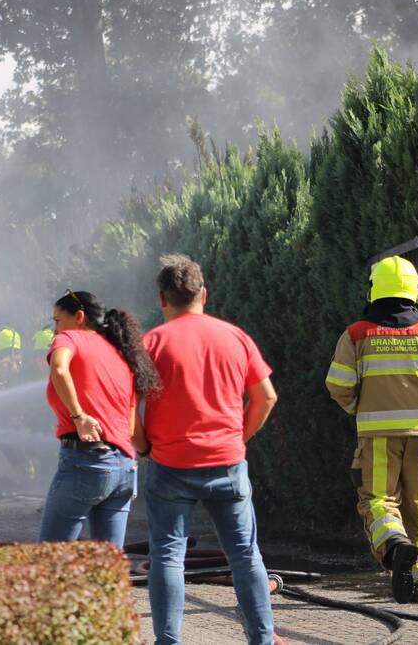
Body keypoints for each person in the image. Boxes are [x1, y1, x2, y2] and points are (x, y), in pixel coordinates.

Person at [133, 254, 279, 645]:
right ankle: (262, 640)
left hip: (170, 466)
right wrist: (238, 438)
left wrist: (143, 444)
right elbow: (266, 397)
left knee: (167, 557)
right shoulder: (234, 337)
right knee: (246, 557)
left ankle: (168, 641)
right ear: (204, 295)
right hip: (228, 464)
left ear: (163, 299)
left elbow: (130, 406)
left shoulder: (151, 343)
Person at [325, 255, 418, 604]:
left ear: (374, 290)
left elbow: (338, 385)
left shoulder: (357, 334)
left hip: (377, 436)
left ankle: (393, 545)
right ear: (414, 290)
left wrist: (361, 408)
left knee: (378, 500)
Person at [39, 289, 159, 547]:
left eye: (57, 320)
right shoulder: (120, 356)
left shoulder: (70, 338)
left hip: (87, 462)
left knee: (50, 559)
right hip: (125, 470)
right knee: (109, 568)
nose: (55, 329)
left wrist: (79, 416)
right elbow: (130, 427)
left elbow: (59, 369)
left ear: (79, 317)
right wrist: (149, 452)